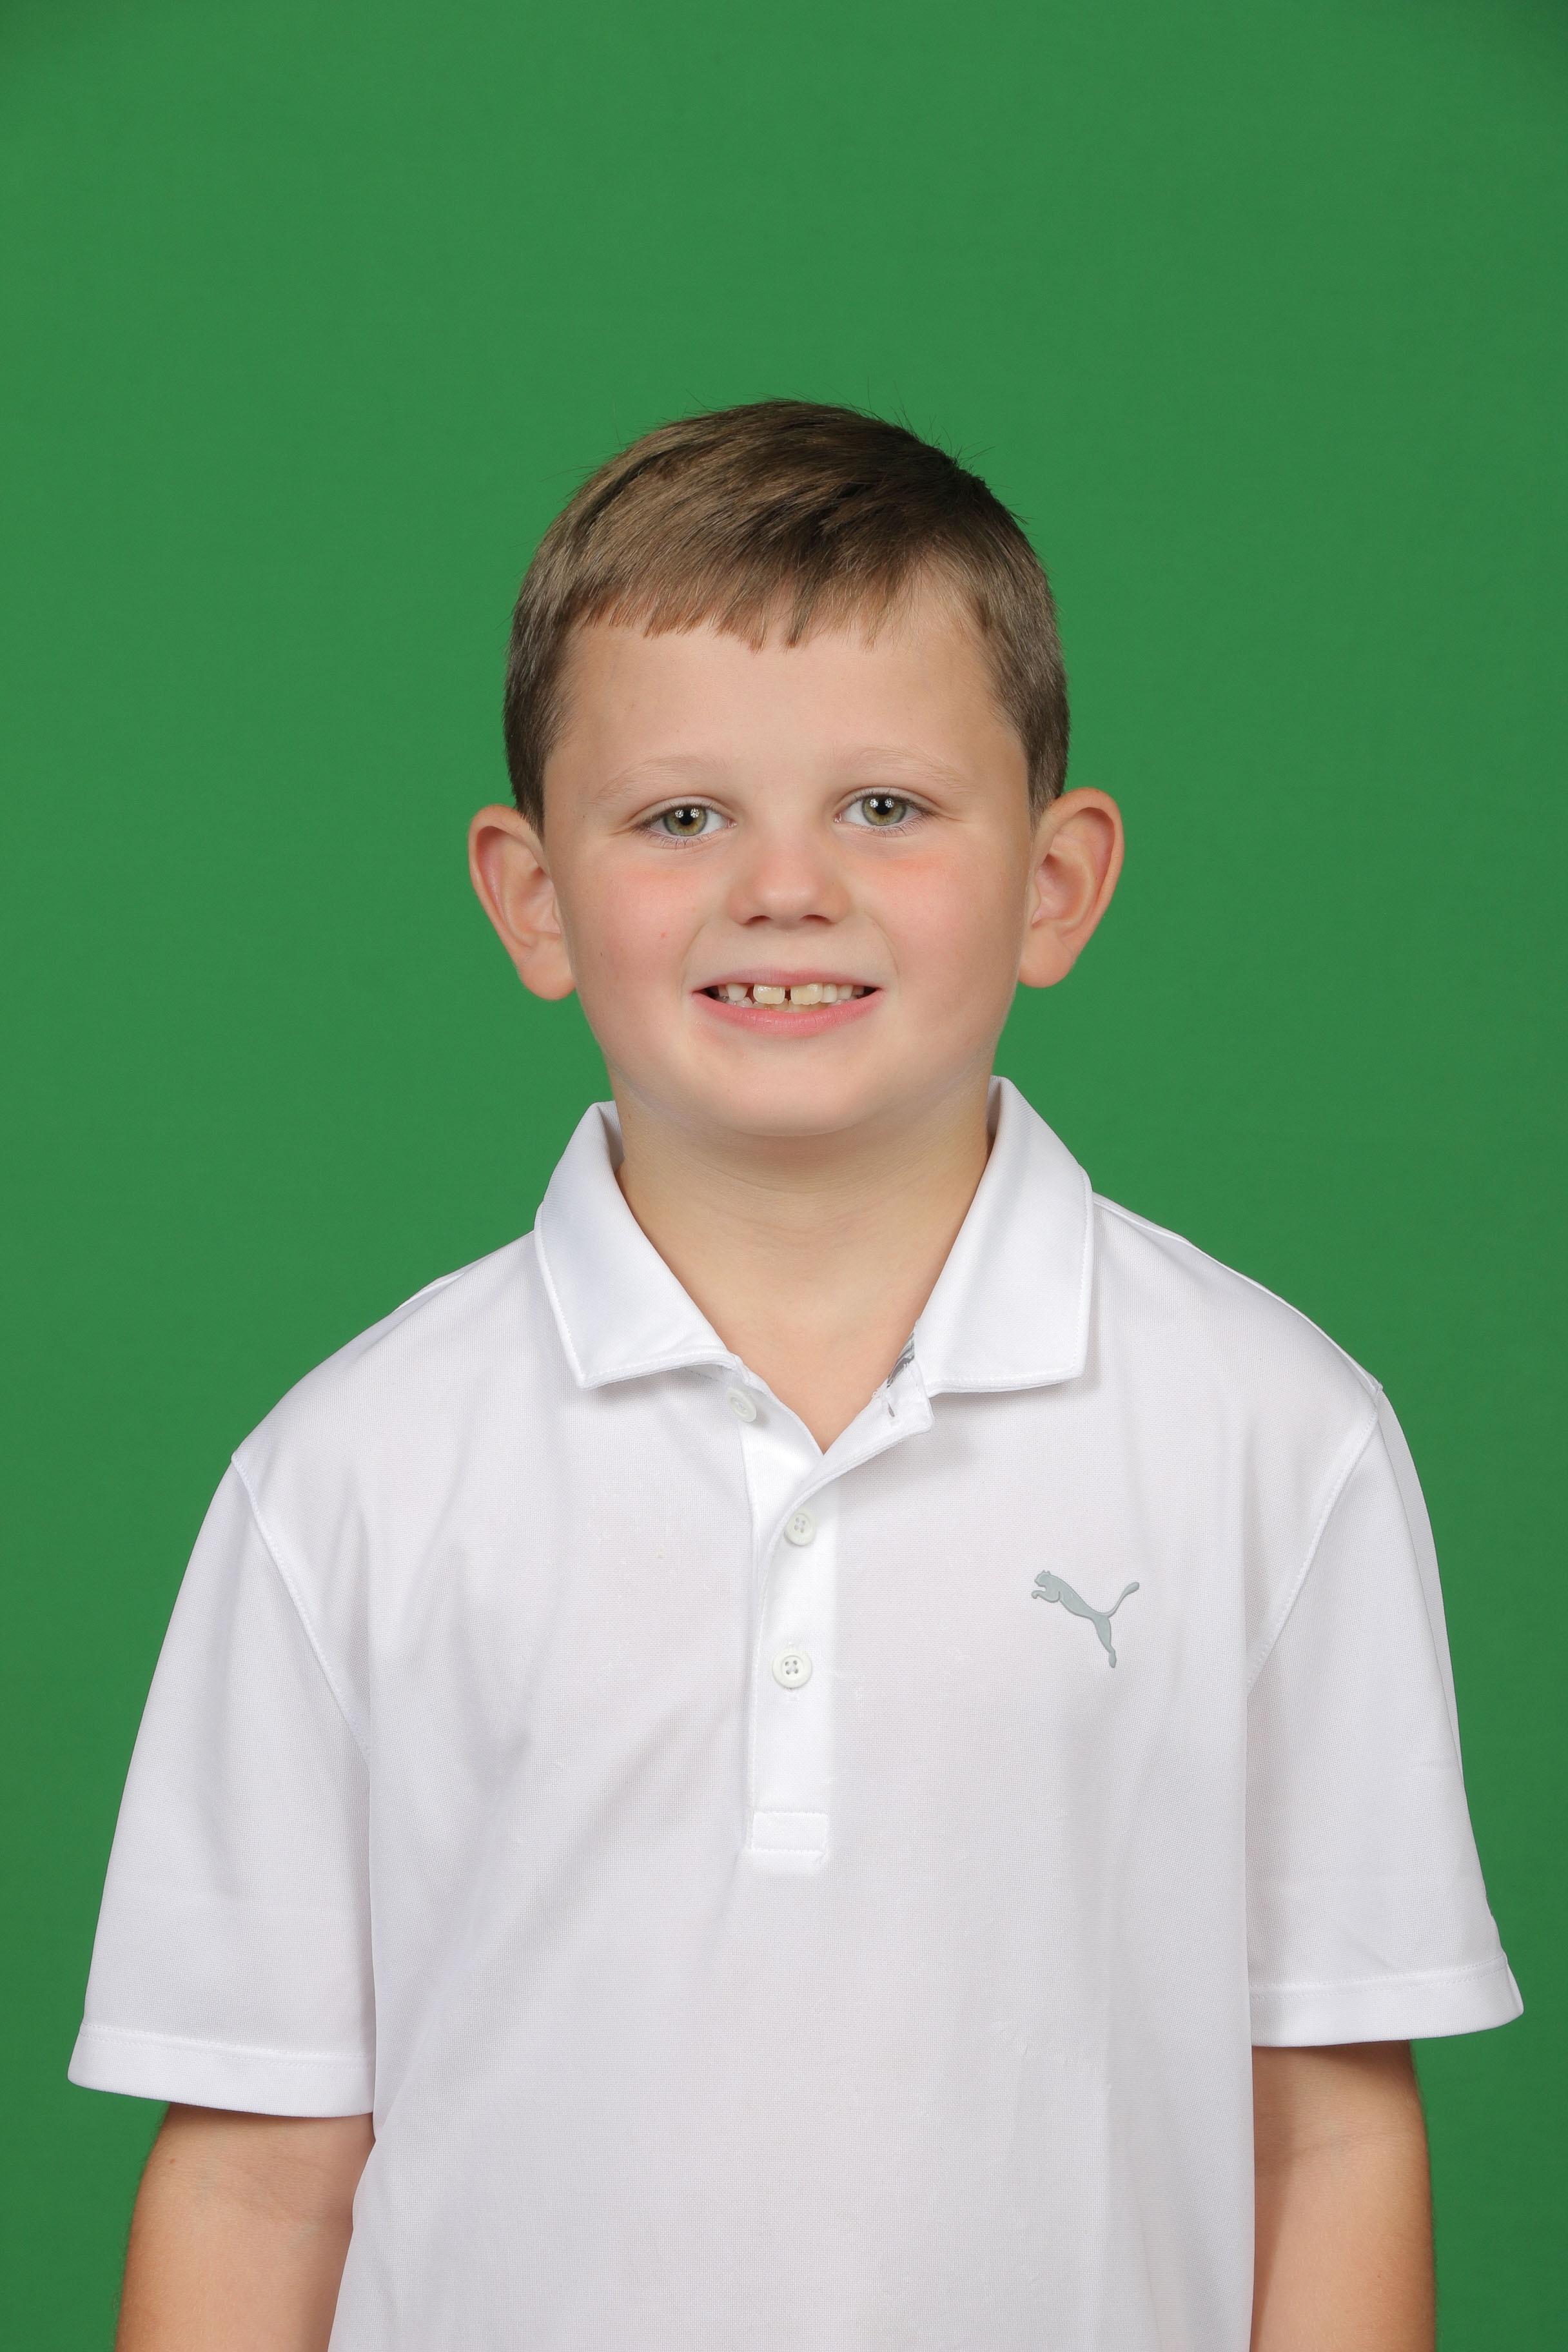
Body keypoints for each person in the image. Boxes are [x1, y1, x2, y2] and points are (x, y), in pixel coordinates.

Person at [72, 401, 1519, 2350]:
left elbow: (1324, 2131)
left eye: (887, 807)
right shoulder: (349, 1474)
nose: (785, 886)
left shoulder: (1276, 1436)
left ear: (1058, 881)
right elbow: (256, 2170)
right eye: (682, 817)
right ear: (530, 895)